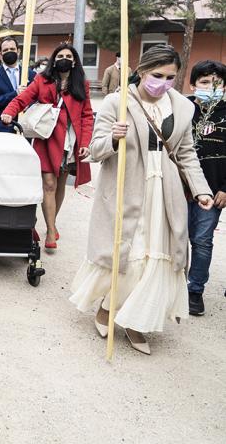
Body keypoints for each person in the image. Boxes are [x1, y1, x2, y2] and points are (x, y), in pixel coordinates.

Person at [69, 45, 213, 355]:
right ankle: (109, 308)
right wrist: (113, 138)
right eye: (157, 75)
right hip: (128, 187)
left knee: (156, 255)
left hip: (166, 191)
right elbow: (94, 151)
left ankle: (138, 320)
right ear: (142, 71)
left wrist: (201, 189)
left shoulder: (181, 108)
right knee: (128, 252)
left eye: (170, 77)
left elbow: (185, 153)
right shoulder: (116, 103)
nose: (163, 82)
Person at [1, 43, 95, 249]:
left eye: (68, 56)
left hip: (70, 140)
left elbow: (87, 115)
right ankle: (51, 231)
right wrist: (9, 111)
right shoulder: (42, 80)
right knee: (49, 184)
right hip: (47, 138)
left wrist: (86, 142)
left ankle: (52, 222)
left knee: (60, 184)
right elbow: (22, 99)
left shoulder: (82, 84)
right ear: (54, 59)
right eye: (60, 55)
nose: (64, 58)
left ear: (75, 61)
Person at [185, 60, 226, 316]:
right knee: (176, 238)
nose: (211, 88)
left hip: (212, 193)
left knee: (201, 241)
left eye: (218, 84)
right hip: (180, 187)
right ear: (193, 85)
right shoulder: (182, 109)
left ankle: (195, 290)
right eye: (205, 82)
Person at [0, 38, 35, 132]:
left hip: (25, 126)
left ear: (18, 51)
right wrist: (15, 93)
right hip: (2, 127)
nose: (9, 52)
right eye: (5, 50)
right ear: (0, 54)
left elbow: (36, 98)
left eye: (12, 49)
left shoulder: (30, 74)